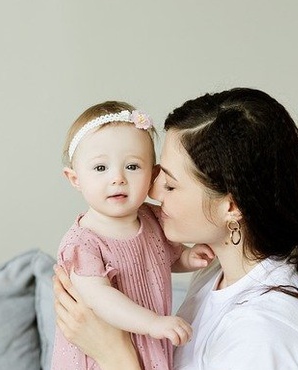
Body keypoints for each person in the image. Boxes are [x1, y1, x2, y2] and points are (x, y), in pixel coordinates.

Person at [53, 89, 298, 370]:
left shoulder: (265, 337)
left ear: (231, 206)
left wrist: (115, 355)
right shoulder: (216, 272)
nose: (151, 193)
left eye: (170, 184)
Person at [52, 101, 214, 370]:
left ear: (153, 175)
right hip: (100, 352)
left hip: (147, 343)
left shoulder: (151, 218)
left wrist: (186, 257)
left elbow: (160, 259)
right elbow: (99, 298)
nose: (118, 178)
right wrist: (152, 323)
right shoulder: (83, 243)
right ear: (75, 178)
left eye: (132, 167)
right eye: (101, 168)